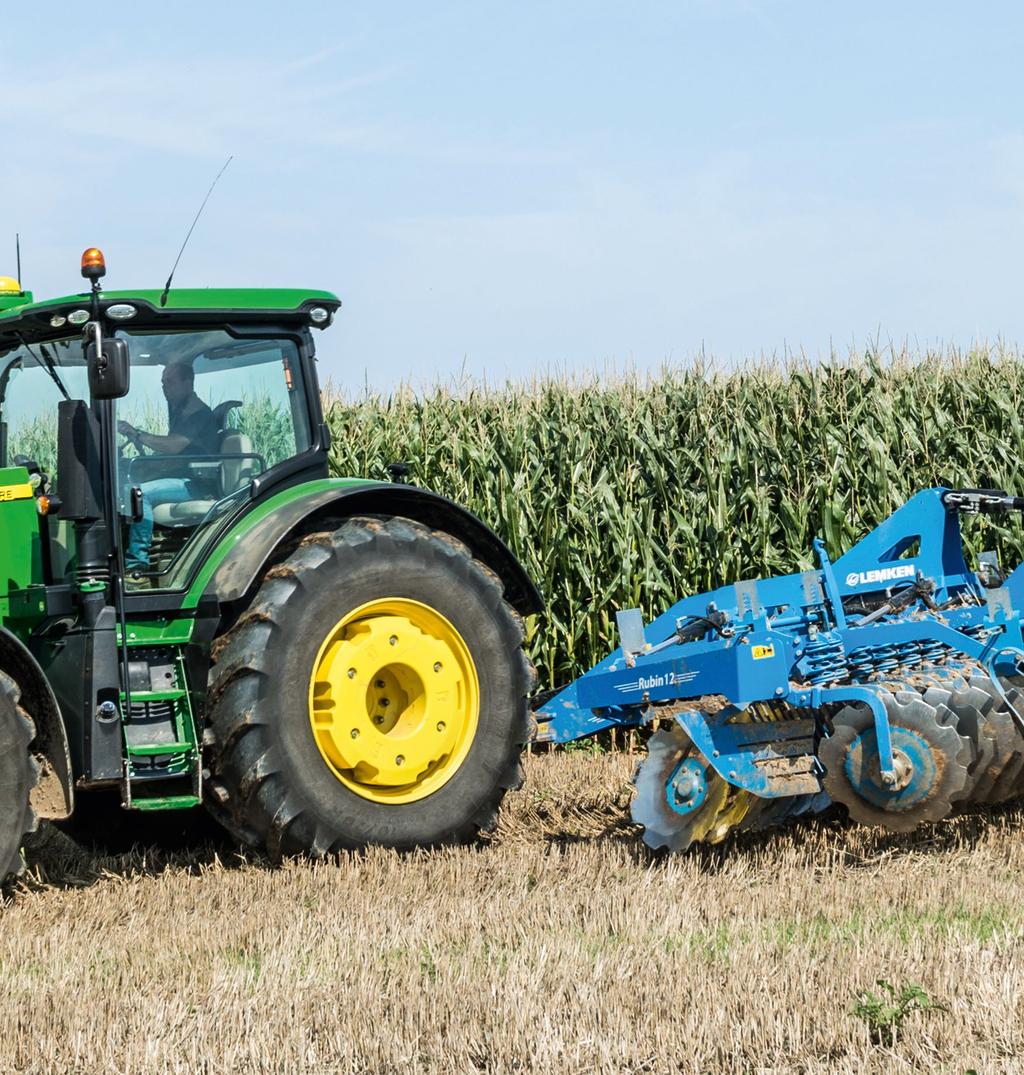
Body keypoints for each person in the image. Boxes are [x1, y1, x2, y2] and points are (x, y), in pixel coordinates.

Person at [118, 362, 219, 572]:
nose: (165, 388)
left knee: (138, 494)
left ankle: (137, 566)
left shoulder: (200, 416)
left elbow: (173, 445)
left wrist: (137, 434)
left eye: (170, 383)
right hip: (183, 480)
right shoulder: (183, 415)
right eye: (163, 383)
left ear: (188, 382)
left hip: (197, 484)